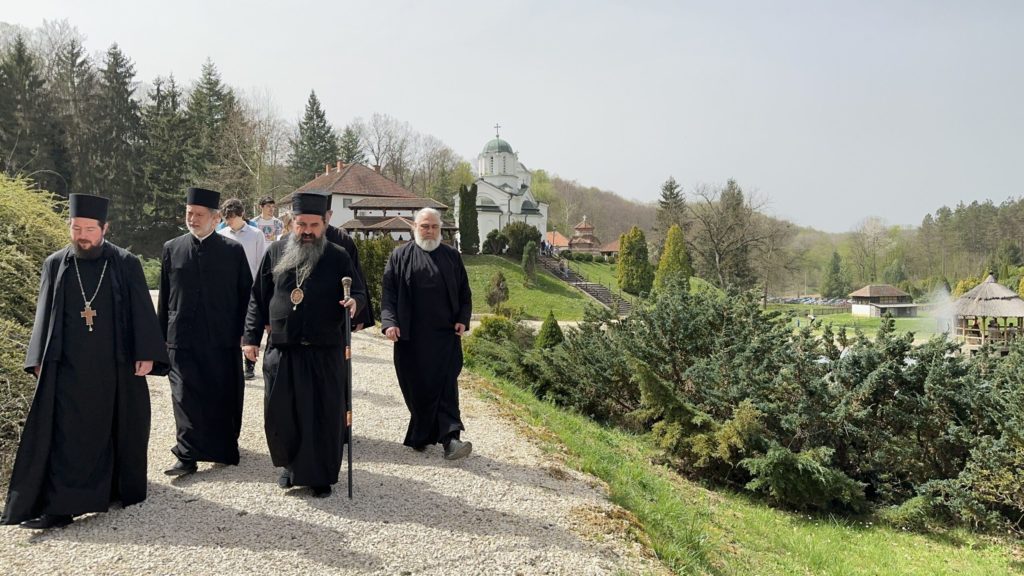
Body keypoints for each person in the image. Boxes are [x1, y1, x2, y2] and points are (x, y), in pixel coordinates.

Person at [2, 194, 168, 530]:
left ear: (105, 228)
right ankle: (62, 504)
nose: (82, 236)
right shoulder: (56, 263)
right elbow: (43, 316)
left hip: (115, 367)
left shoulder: (125, 262)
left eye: (89, 229)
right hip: (69, 369)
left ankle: (115, 487)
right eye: (76, 228)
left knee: (118, 428)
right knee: (68, 436)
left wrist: (147, 354)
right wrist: (38, 359)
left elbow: (142, 313)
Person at [243, 192, 366, 497]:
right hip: (283, 347)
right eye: (301, 224)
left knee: (323, 414)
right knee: (282, 412)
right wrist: (250, 338)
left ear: (324, 223)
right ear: (292, 223)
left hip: (325, 349)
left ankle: (321, 475)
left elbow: (360, 292)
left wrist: (354, 303)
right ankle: (290, 467)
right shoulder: (275, 251)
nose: (307, 231)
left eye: (314, 224)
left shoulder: (338, 255)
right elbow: (258, 298)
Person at [158, 187, 253, 476]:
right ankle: (186, 455)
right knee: (183, 396)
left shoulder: (233, 251)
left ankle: (222, 446)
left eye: (199, 215)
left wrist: (246, 334)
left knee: (221, 394)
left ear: (214, 219)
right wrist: (159, 337)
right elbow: (165, 296)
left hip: (220, 338)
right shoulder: (172, 248)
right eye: (189, 214)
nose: (193, 219)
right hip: (181, 337)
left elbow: (246, 296)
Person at [381, 208, 473, 460]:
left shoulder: (452, 257)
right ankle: (422, 433)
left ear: (440, 229)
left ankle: (451, 438)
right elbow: (388, 293)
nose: (429, 231)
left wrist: (463, 320)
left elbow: (465, 294)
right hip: (410, 338)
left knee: (446, 387)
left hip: (444, 336)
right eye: (424, 226)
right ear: (414, 228)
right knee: (417, 389)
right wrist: (389, 323)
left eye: (434, 226)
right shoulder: (400, 256)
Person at [219, 197, 267, 380]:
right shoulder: (223, 234)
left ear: (241, 215)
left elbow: (261, 262)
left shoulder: (256, 234)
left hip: (250, 287)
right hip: (228, 288)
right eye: (226, 217)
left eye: (231, 217)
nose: (228, 221)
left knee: (249, 326)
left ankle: (250, 364)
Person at [323, 194, 375, 331]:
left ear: (330, 214)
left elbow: (356, 276)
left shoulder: (342, 239)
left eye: (323, 216)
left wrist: (360, 313)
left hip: (336, 311)